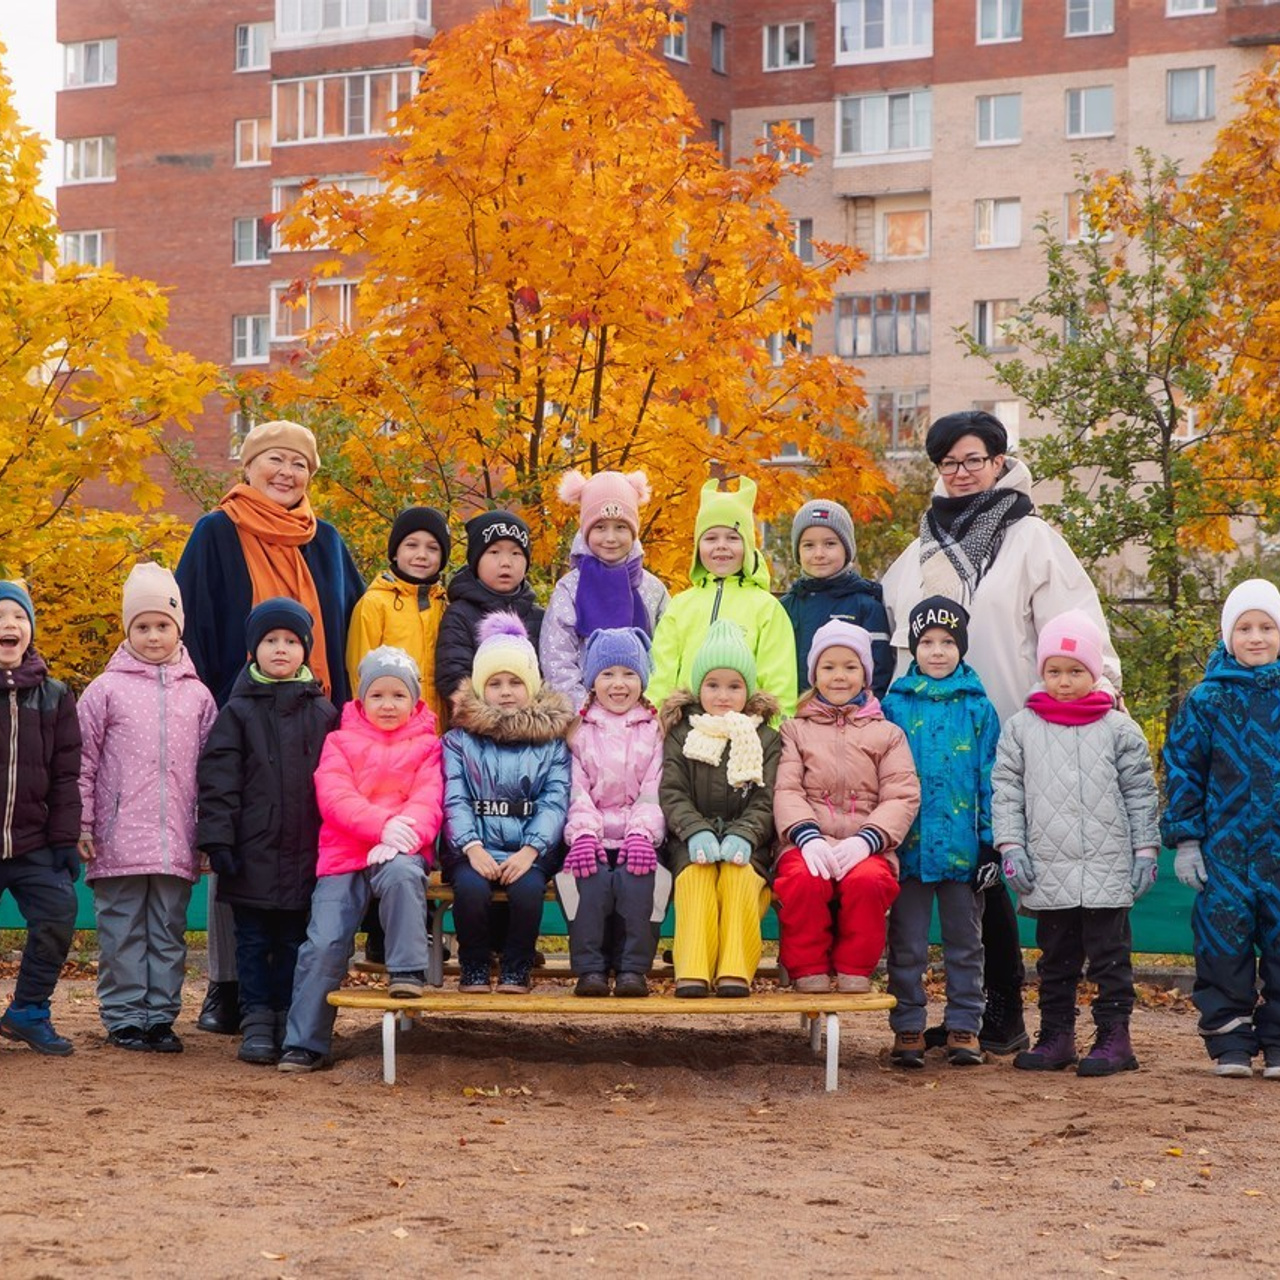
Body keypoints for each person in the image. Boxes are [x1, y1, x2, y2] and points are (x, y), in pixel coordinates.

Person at [881, 409, 1121, 1055]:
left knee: (997, 873)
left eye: (973, 460)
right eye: (948, 463)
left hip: (1016, 732)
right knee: (953, 877)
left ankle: (1008, 1009)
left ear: (999, 461)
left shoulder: (1033, 540)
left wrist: (1100, 699)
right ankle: (980, 1010)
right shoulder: (919, 551)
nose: (961, 473)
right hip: (929, 746)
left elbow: (1078, 627)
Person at [175, 419, 363, 1035]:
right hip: (241, 717)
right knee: (243, 851)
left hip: (317, 722)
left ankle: (296, 993)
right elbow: (193, 628)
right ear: (249, 467)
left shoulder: (327, 542)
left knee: (306, 850)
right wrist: (210, 709)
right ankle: (229, 988)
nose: (286, 473)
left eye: (299, 464)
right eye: (274, 460)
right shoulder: (216, 533)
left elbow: (354, 628)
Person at [993, 610, 1159, 1076]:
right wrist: (1011, 847)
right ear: (1042, 672)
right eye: (1054, 671)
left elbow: (1140, 792)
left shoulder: (1119, 729)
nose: (1064, 682)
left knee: (1110, 958)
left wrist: (1145, 851)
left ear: (1094, 672)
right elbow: (1006, 790)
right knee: (1056, 959)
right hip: (1050, 864)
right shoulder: (1022, 728)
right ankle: (1056, 1035)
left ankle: (1114, 1037)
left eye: (1075, 672)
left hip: (1106, 865)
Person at [278, 647, 443, 1073]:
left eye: (398, 696)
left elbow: (430, 800)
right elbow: (334, 796)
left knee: (405, 876)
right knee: (325, 941)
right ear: (362, 699)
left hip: (402, 846)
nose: (388, 705)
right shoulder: (340, 741)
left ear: (414, 700)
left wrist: (403, 834)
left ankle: (406, 970)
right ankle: (306, 1041)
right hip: (346, 851)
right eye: (378, 695)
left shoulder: (428, 746)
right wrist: (381, 826)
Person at [77, 563, 217, 1054]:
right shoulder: (104, 691)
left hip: (176, 838)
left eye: (163, 625)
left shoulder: (198, 696)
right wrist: (84, 822)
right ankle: (124, 1017)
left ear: (178, 628)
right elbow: (83, 763)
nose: (153, 635)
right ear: (127, 629)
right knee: (121, 932)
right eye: (142, 626)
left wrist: (205, 833)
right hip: (118, 839)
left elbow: (210, 772)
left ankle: (160, 1017)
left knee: (167, 931)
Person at [197, 599, 339, 1065]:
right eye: (270, 641)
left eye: (291, 642)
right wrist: (217, 839)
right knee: (253, 941)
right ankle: (256, 1020)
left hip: (306, 853)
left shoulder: (322, 714)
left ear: (306, 651)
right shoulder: (236, 712)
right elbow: (219, 779)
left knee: (296, 941)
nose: (280, 649)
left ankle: (288, 1018)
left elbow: (338, 780)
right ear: (253, 651)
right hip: (251, 853)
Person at [1163, 579, 1280, 1079]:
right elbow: (1184, 768)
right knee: (1222, 944)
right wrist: (1187, 839)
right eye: (1244, 628)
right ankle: (1230, 1039)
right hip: (1224, 852)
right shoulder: (1207, 700)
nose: (1256, 637)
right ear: (1227, 635)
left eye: (1267, 627)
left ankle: (1277, 1043)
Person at [880, 597, 1000, 1068]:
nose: (936, 651)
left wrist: (989, 842)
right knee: (906, 943)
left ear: (961, 648)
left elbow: (992, 777)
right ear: (913, 648)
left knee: (966, 944)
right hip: (906, 848)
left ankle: (964, 1026)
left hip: (961, 850)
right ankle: (908, 1027)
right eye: (926, 642)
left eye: (947, 642)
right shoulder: (895, 705)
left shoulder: (979, 707)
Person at [771, 620, 918, 1001]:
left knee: (868, 882)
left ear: (866, 675)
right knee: (803, 880)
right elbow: (786, 787)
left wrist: (868, 840)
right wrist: (806, 836)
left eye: (850, 667)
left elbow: (901, 794)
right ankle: (807, 967)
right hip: (808, 840)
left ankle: (856, 967)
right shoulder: (795, 730)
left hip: (864, 843)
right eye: (829, 667)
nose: (839, 676)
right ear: (814, 673)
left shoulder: (887, 733)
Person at [441, 613, 573, 994]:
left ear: (531, 687)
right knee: (470, 890)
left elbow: (554, 799)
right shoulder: (458, 742)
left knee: (529, 891)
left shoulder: (551, 743)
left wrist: (532, 851)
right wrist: (472, 847)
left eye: (515, 682)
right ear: (481, 689)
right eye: (495, 683)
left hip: (528, 848)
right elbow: (455, 797)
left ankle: (517, 966)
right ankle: (475, 965)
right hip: (474, 846)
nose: (505, 691)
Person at [659, 619, 781, 998]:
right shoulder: (683, 733)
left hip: (749, 842)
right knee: (695, 879)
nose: (723, 695)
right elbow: (673, 790)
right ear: (699, 688)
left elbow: (767, 798)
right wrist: (694, 830)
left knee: (738, 878)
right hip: (690, 840)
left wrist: (745, 835)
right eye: (713, 685)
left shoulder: (765, 737)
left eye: (734, 686)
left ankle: (734, 969)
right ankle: (692, 969)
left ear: (748, 689)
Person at [555, 627, 666, 997]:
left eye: (629, 674)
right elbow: (575, 789)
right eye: (607, 674)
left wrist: (642, 834)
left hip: (640, 838)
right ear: (592, 681)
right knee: (589, 880)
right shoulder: (579, 731)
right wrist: (584, 834)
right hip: (592, 834)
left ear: (642, 679)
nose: (618, 684)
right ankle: (591, 969)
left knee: (639, 881)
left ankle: (633, 968)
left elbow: (654, 788)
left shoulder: (655, 731)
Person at [0, 580, 82, 1056]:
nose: (9, 625)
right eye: (0, 617)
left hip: (33, 842)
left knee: (57, 913)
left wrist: (64, 841)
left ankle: (28, 1011)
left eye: (18, 617)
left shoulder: (53, 696)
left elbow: (65, 775)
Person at [648, 477, 797, 717]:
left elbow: (780, 682)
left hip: (746, 733)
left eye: (732, 538)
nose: (721, 546)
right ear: (698, 547)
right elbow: (660, 673)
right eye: (710, 538)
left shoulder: (767, 608)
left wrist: (772, 734)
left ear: (747, 546)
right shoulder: (680, 605)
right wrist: (656, 723)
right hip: (684, 731)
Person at [540, 470, 669, 709]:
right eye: (600, 527)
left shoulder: (652, 589)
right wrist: (583, 709)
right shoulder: (570, 588)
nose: (610, 538)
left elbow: (667, 652)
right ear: (586, 531)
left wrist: (650, 705)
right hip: (586, 716)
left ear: (634, 531)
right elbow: (557, 657)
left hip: (643, 715)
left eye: (620, 527)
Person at [346, 506, 452, 729]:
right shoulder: (374, 603)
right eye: (411, 545)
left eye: (432, 548)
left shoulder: (445, 605)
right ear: (395, 551)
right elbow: (359, 674)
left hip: (439, 731)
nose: (421, 555)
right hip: (391, 728)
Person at [780, 499, 893, 699]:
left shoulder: (867, 605)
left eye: (830, 544)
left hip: (853, 718)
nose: (819, 554)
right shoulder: (787, 606)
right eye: (808, 545)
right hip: (799, 717)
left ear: (847, 549)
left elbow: (879, 671)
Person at [434, 511, 543, 707]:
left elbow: (548, 676)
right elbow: (452, 674)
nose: (506, 562)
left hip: (533, 727)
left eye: (516, 553)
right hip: (478, 727)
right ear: (476, 560)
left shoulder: (539, 617)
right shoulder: (460, 614)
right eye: (494, 552)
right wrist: (487, 720)